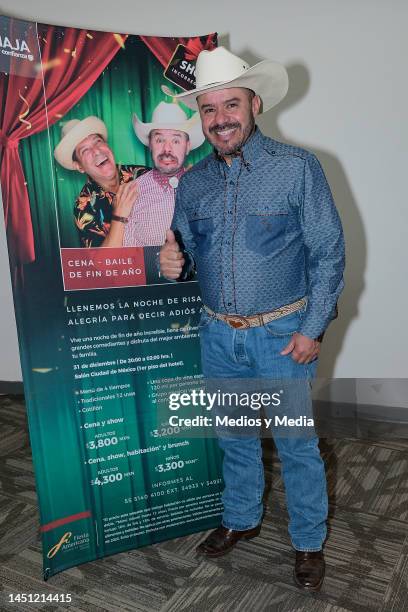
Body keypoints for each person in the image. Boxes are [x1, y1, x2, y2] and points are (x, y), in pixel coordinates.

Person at [160, 46, 345, 592]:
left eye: (231, 105)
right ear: (201, 117)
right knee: (234, 438)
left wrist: (312, 328)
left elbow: (328, 254)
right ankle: (241, 518)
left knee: (295, 446)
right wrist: (171, 265)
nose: (221, 119)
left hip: (282, 336)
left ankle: (308, 541)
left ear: (254, 103)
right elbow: (187, 255)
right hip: (219, 336)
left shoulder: (298, 168)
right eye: (209, 109)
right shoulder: (191, 183)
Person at [118, 101, 204, 247]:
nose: (167, 149)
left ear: (187, 146)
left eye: (176, 140)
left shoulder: (205, 189)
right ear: (150, 144)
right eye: (159, 140)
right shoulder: (132, 193)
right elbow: (130, 256)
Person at [54, 116, 148, 247]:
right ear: (79, 166)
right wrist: (119, 215)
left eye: (98, 142)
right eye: (85, 150)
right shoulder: (84, 207)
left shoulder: (143, 174)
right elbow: (103, 264)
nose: (97, 151)